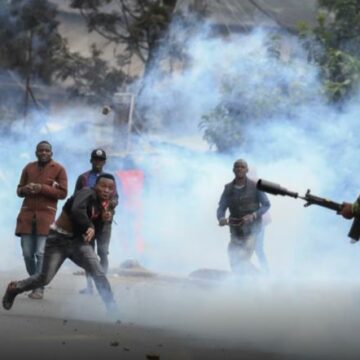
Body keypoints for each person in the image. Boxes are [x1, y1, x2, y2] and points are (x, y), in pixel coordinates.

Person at [2, 174, 118, 314]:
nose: (106, 190)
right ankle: (14, 288)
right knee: (44, 278)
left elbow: (95, 233)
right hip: (58, 240)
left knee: (98, 272)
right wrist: (90, 225)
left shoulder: (105, 207)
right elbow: (76, 210)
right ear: (96, 186)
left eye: (110, 188)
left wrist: (104, 220)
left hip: (78, 243)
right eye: (103, 186)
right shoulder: (86, 192)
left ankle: (113, 310)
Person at [15, 141, 68, 300]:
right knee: (27, 254)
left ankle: (39, 287)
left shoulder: (59, 169)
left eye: (47, 150)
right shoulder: (28, 168)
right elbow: (19, 190)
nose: (43, 153)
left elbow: (63, 193)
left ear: (51, 153)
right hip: (27, 216)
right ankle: (35, 281)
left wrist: (42, 188)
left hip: (46, 217)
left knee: (40, 253)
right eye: (41, 150)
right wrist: (26, 189)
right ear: (36, 152)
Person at [74, 148, 118, 295]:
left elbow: (115, 198)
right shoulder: (83, 178)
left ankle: (102, 283)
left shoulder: (110, 179)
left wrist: (109, 207)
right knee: (88, 254)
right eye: (96, 160)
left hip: (104, 222)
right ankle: (89, 286)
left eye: (101, 160)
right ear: (91, 160)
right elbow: (76, 198)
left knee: (103, 252)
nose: (98, 162)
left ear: (104, 162)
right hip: (88, 222)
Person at [217, 159, 270, 274]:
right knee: (233, 256)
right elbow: (221, 207)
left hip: (252, 230)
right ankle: (249, 279)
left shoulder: (256, 186)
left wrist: (254, 215)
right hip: (235, 230)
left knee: (244, 257)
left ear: (247, 170)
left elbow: (266, 204)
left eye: (242, 167)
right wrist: (221, 218)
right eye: (237, 167)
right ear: (233, 170)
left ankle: (261, 276)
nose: (239, 169)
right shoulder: (228, 188)